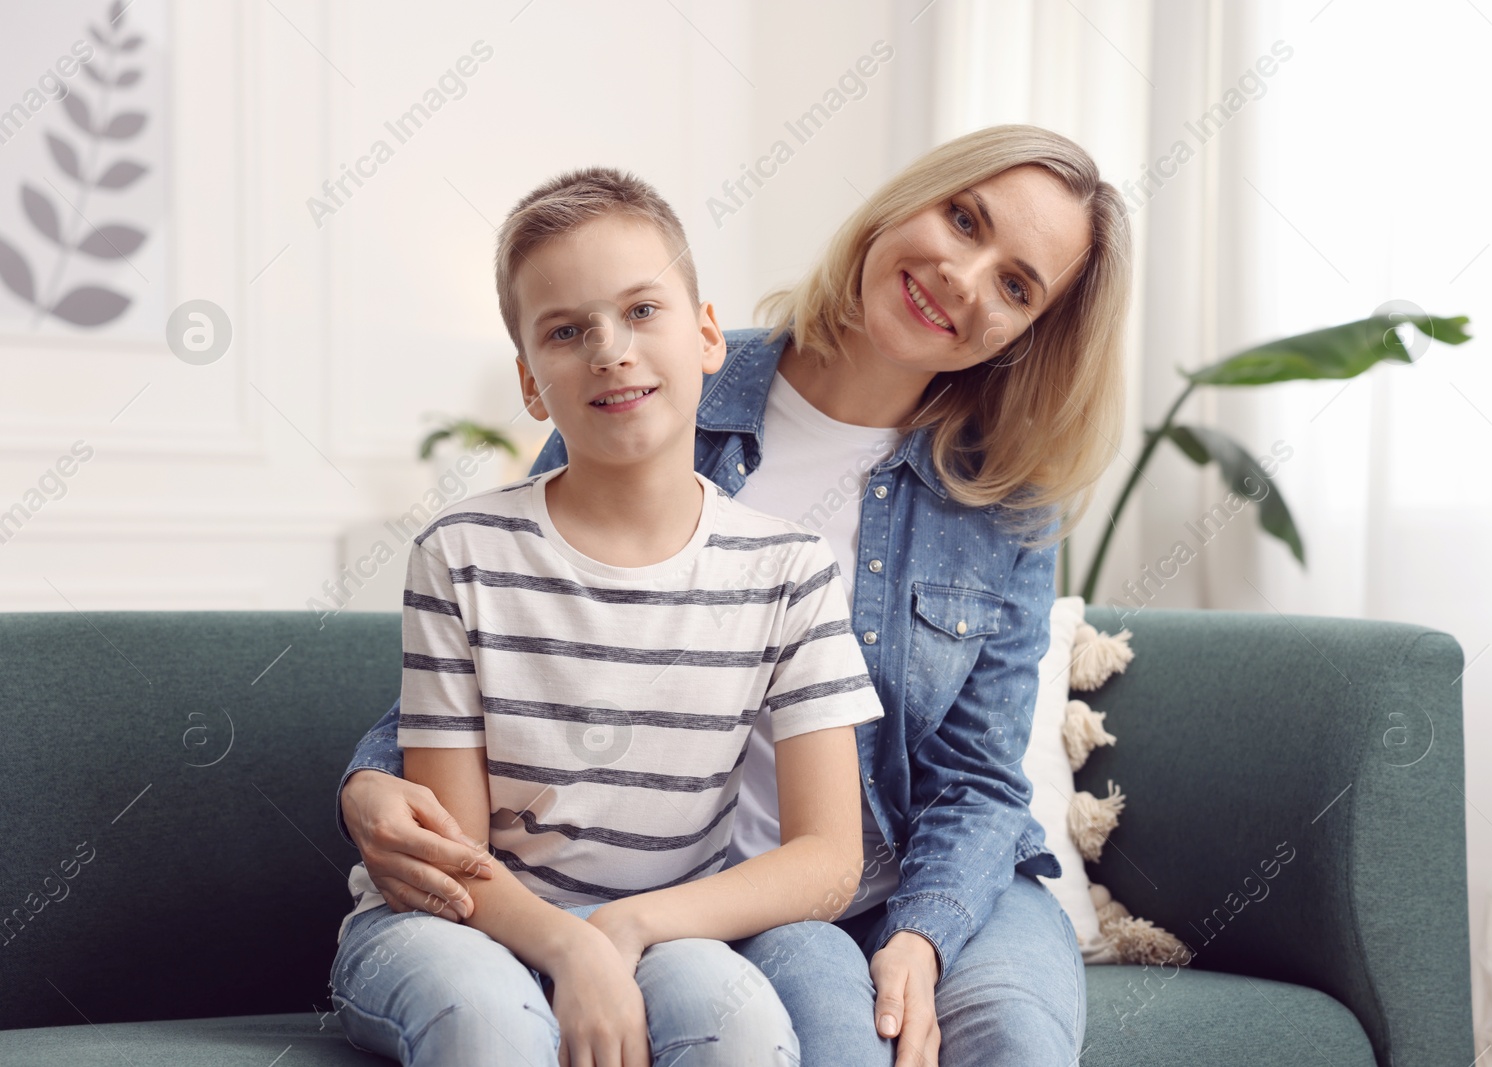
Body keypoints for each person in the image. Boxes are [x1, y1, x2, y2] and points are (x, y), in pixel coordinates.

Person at [337, 123, 1131, 1065]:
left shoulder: (1005, 497)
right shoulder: (654, 372)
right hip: (719, 894)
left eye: (1015, 284)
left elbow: (980, 778)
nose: (963, 276)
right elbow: (521, 632)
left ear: (1032, 330)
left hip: (912, 873)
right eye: (964, 219)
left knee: (1011, 1038)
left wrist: (922, 933)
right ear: (907, 201)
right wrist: (371, 782)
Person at [328, 167, 886, 1067]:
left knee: (737, 1023)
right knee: (489, 1021)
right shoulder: (460, 552)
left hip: (665, 927)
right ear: (530, 382)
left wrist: (624, 929)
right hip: (458, 918)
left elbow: (827, 858)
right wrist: (570, 945)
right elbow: (454, 854)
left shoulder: (790, 570)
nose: (610, 350)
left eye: (641, 311)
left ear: (708, 336)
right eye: (566, 329)